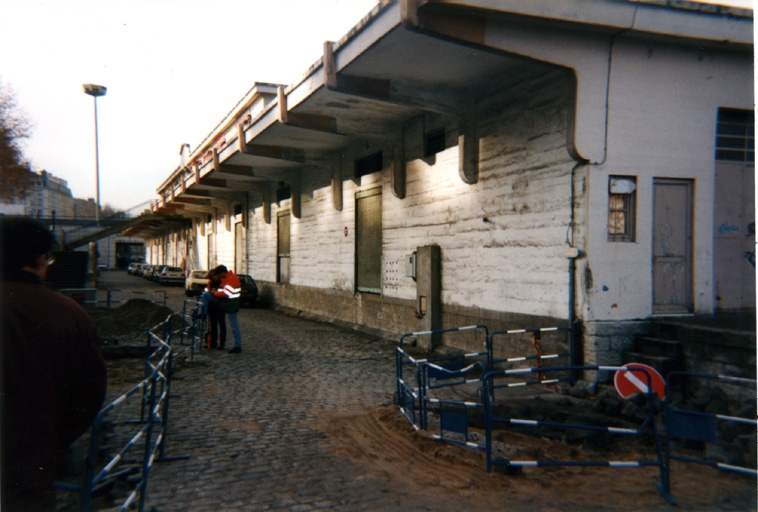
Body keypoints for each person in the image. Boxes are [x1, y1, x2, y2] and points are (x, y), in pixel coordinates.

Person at [0, 216, 107, 511]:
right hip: (26, 467)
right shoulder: (69, 314)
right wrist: (47, 441)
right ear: (40, 258)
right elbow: (89, 393)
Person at [198, 265, 242, 353]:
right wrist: (215, 290)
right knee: (205, 295)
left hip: (230, 303)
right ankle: (201, 313)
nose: (218, 277)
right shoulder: (227, 278)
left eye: (218, 275)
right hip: (227, 302)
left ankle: (237, 345)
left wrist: (215, 293)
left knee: (234, 325)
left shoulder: (231, 279)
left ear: (222, 273)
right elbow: (221, 288)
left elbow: (226, 293)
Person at [206, 271, 227, 350]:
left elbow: (225, 293)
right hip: (212, 306)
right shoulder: (210, 282)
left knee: (222, 325)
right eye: (212, 276)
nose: (214, 277)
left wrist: (215, 292)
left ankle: (222, 344)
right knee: (213, 325)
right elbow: (207, 291)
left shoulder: (223, 282)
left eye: (214, 276)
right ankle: (213, 343)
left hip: (220, 305)